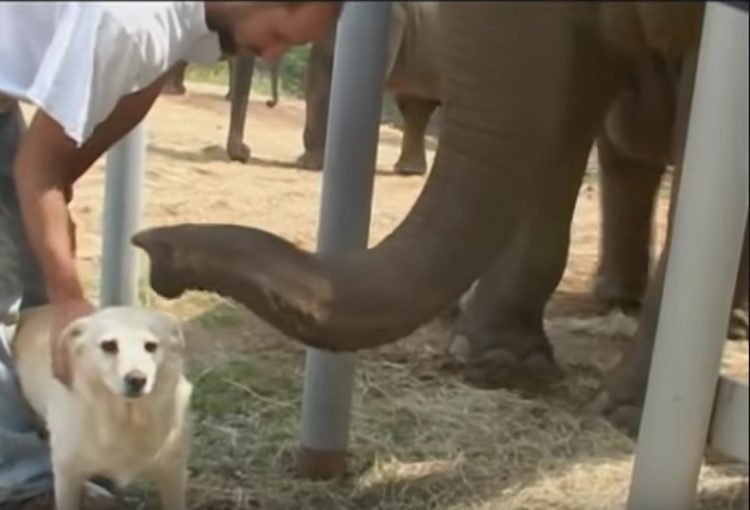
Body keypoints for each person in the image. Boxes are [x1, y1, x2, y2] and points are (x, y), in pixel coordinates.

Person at [0, 2, 342, 508]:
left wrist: (53, 226)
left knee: (37, 298)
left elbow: (61, 168)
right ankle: (23, 484)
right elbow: (41, 170)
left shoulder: (178, 34)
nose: (271, 57)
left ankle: (66, 460)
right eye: (276, 35)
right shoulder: (133, 22)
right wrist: (70, 295)